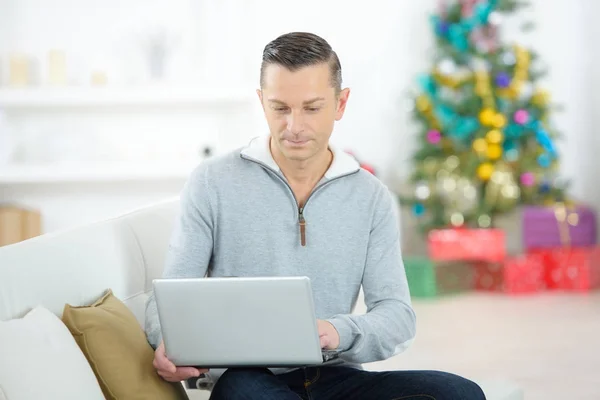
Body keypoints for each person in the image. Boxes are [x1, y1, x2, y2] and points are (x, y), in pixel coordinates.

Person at [145, 31, 486, 400]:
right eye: (280, 108)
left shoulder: (372, 198)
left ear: (340, 104)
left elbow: (396, 316)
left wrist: (336, 332)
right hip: (249, 381)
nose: (294, 126)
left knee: (460, 393)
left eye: (311, 108)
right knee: (245, 392)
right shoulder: (211, 183)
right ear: (261, 103)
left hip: (336, 376)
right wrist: (166, 341)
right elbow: (169, 299)